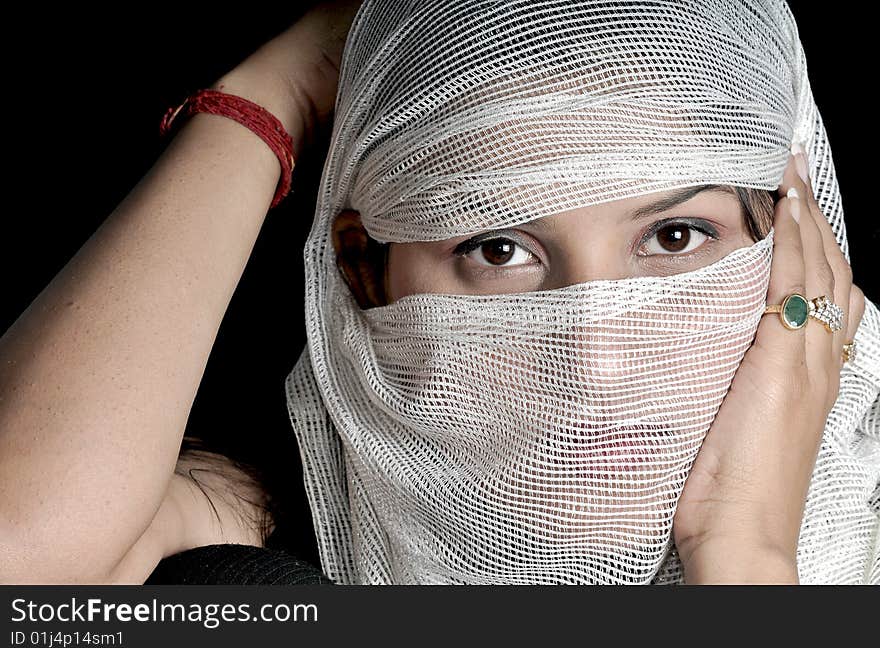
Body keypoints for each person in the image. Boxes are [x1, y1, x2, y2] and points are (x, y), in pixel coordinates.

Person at [0, 0, 876, 585]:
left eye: (676, 237)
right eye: (498, 248)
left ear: (791, 242)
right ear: (364, 272)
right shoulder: (274, 540)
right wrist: (281, 90)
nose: (594, 362)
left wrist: (742, 544)